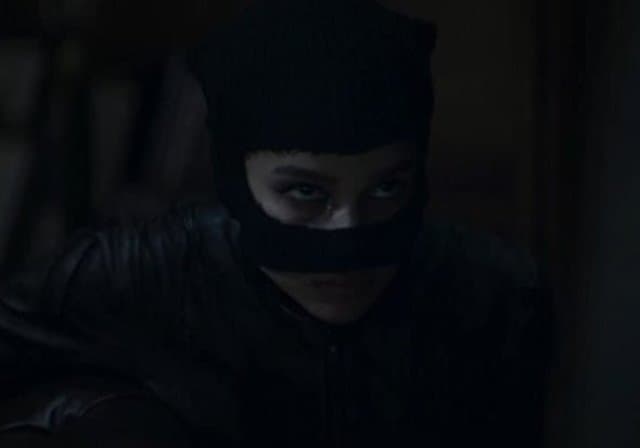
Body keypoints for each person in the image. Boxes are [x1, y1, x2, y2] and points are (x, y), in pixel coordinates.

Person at [0, 0, 554, 446]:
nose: (349, 235)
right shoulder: (140, 272)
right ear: (237, 180)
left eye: (387, 188)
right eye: (306, 193)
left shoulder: (491, 298)